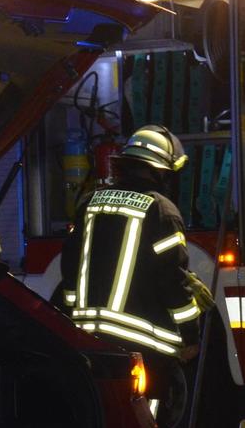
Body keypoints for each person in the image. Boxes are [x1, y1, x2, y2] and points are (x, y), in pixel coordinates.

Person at [64, 126, 202, 369]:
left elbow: (70, 265)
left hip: (88, 339)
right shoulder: (162, 210)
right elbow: (172, 280)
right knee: (145, 406)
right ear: (162, 172)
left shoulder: (90, 202)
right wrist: (191, 335)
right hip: (143, 343)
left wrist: (73, 314)